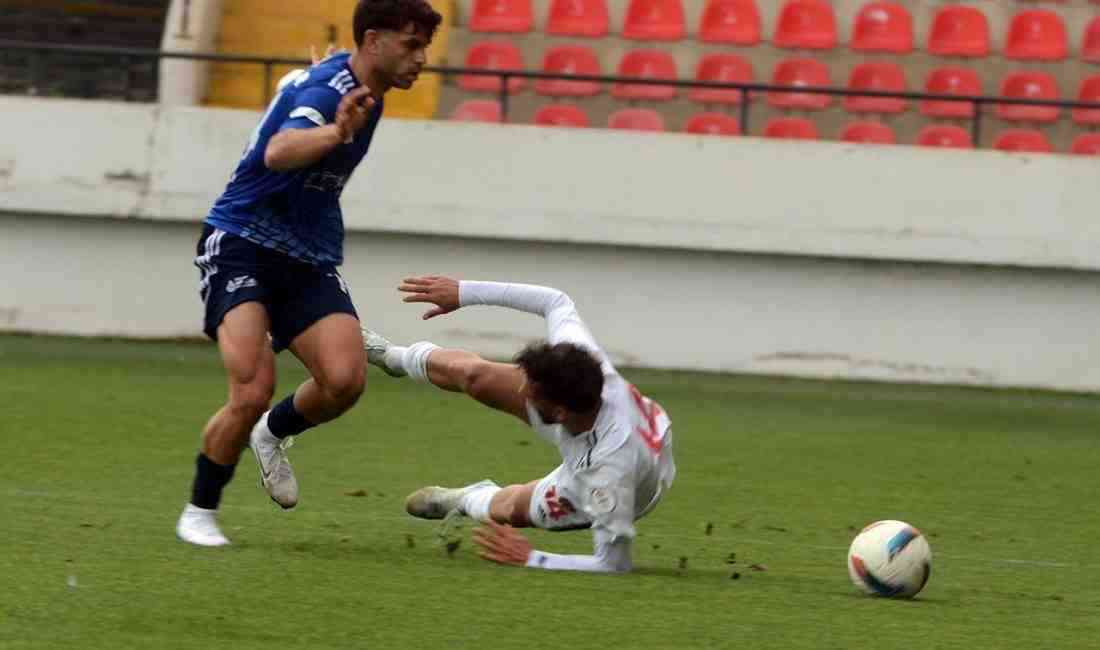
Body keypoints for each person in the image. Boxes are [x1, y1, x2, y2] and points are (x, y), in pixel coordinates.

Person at [176, 0, 442, 547]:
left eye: (425, 48)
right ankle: (199, 511)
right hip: (242, 245)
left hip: (307, 256)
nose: (421, 59)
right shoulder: (330, 95)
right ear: (374, 41)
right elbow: (278, 152)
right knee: (252, 387)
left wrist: (322, 94)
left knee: (344, 383)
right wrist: (335, 131)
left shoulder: (360, 87)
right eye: (412, 44)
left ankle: (270, 434)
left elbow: (305, 94)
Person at [363, 276, 676, 572]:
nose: (521, 390)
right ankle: (391, 356)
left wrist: (532, 558)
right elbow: (555, 301)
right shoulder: (581, 363)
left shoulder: (606, 477)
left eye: (532, 393)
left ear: (559, 412)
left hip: (617, 486)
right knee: (477, 376)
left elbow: (613, 564)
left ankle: (464, 498)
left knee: (509, 509)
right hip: (595, 426)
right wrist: (463, 292)